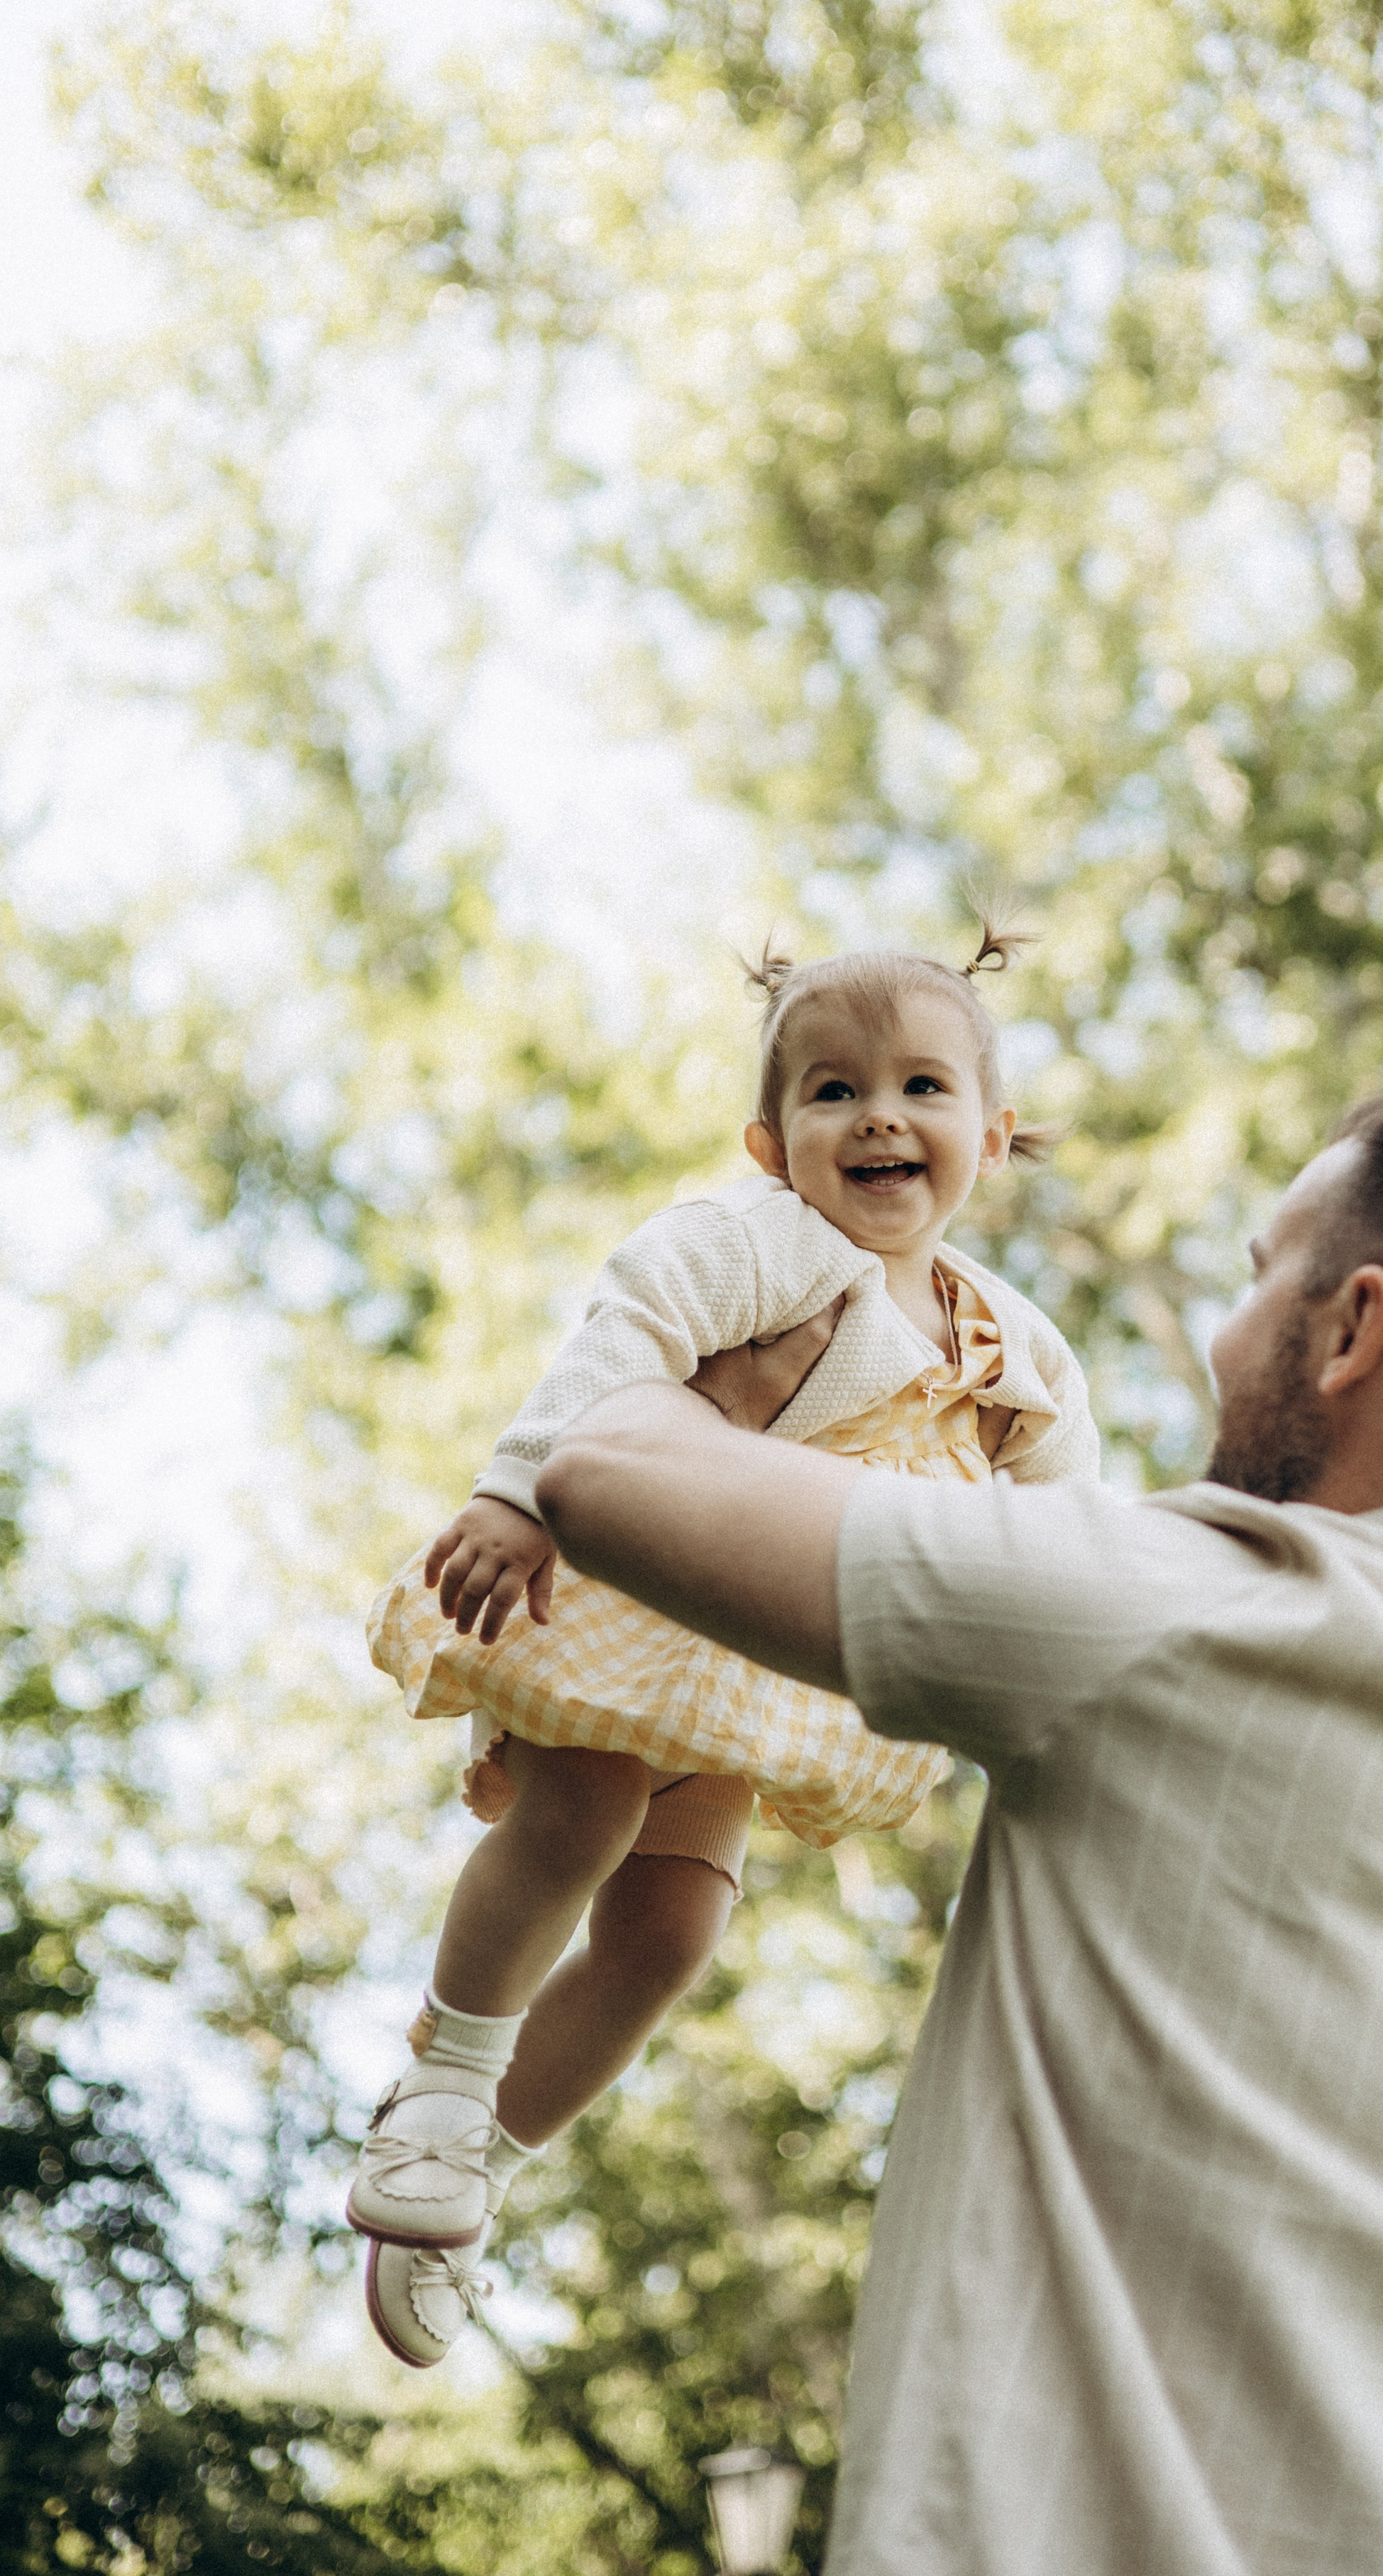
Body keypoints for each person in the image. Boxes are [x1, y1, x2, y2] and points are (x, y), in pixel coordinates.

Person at [531, 1084, 1383, 2576]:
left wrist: (746, 1324)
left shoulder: (1196, 1610)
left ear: (1352, 1328)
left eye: (1259, 1274)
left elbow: (601, 1471)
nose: (1222, 1332)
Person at [348, 929, 1097, 2368]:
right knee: (583, 1811)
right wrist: (515, 1493)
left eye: (921, 1086)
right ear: (771, 1144)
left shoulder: (1013, 1340)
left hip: (758, 1664)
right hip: (631, 1603)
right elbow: (616, 1341)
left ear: (989, 1136)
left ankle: (475, 2163)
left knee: (674, 1929)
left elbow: (1071, 1523)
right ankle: (448, 2075)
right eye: (832, 1093)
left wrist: (1078, 1690)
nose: (877, 1116)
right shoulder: (764, 1246)